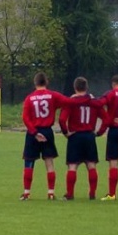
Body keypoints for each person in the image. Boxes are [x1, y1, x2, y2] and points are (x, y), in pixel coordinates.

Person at [19, 72, 74, 200]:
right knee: (49, 162)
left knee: (29, 162)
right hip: (47, 132)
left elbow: (25, 118)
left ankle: (26, 193)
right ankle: (50, 192)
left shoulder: (29, 98)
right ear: (47, 82)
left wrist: (34, 132)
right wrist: (80, 98)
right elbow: (68, 102)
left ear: (35, 83)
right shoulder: (53, 95)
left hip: (33, 133)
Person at [57, 77, 108, 200]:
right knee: (91, 165)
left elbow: (62, 119)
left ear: (74, 88)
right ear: (87, 87)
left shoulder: (71, 102)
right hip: (89, 136)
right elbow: (106, 119)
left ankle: (70, 194)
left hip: (75, 136)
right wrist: (99, 132)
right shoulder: (94, 102)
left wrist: (66, 132)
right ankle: (92, 193)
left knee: (72, 166)